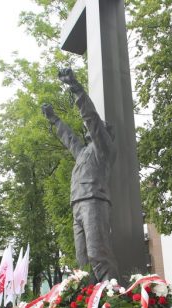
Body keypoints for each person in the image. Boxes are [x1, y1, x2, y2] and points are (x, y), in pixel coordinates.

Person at [41, 67, 120, 283]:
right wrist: (54, 120)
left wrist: (76, 89)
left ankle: (111, 297)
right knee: (82, 259)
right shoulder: (84, 152)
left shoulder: (104, 148)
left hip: (94, 201)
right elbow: (69, 139)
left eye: (95, 129)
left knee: (98, 254)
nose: (89, 130)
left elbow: (92, 118)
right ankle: (88, 299)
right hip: (77, 204)